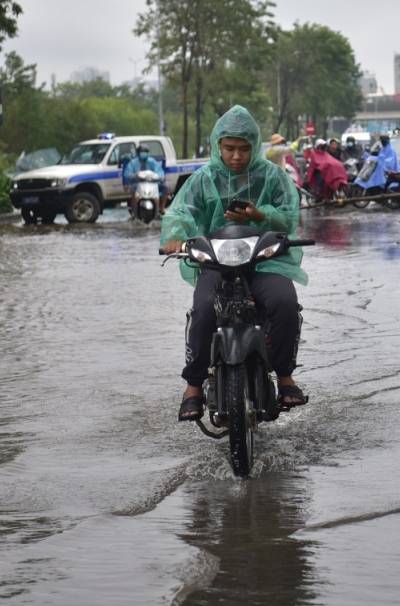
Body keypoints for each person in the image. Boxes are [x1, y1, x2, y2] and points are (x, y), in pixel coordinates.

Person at [161, 106, 309, 420]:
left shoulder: (273, 176)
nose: (237, 156)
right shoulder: (202, 179)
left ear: (255, 147)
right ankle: (193, 387)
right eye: (230, 149)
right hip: (216, 263)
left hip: (264, 262)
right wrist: (175, 235)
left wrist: (260, 215)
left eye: (244, 149)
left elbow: (289, 216)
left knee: (284, 302)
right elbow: (180, 212)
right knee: (203, 310)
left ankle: (284, 377)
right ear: (218, 146)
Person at [123, 144, 168, 216]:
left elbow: (160, 171)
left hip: (152, 183)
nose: (144, 153)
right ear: (138, 152)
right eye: (142, 151)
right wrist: (133, 175)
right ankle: (134, 206)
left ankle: (162, 208)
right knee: (133, 188)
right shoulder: (133, 162)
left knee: (165, 188)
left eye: (146, 151)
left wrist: (161, 177)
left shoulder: (152, 161)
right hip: (138, 183)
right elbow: (127, 173)